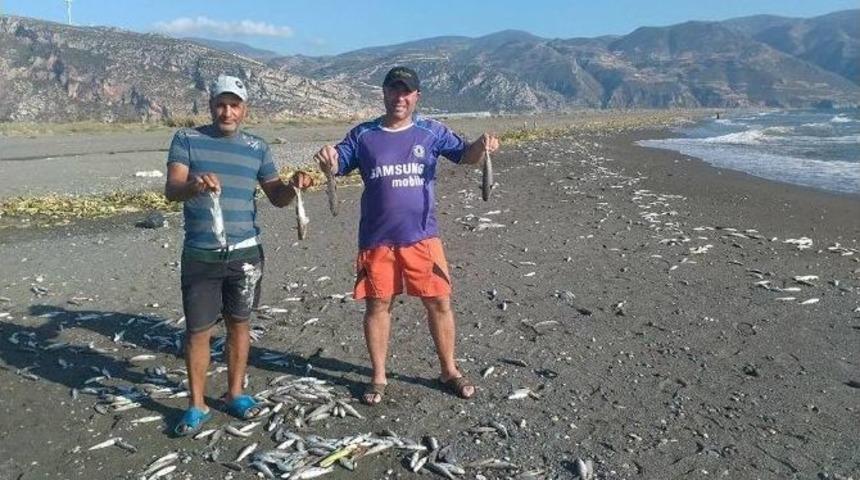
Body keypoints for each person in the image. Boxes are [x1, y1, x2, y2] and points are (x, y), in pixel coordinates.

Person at [314, 66, 500, 405]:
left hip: (423, 238)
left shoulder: (431, 132)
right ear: (383, 93)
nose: (400, 97)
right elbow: (336, 164)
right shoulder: (363, 134)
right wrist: (327, 158)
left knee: (439, 302)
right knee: (378, 304)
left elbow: (465, 156)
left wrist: (483, 145)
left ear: (416, 97)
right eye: (393, 90)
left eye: (406, 92)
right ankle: (379, 376)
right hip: (376, 239)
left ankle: (449, 370)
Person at [164, 74, 313, 435]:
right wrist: (195, 186)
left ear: (244, 109)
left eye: (234, 105)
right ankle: (197, 404)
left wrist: (294, 186)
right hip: (201, 253)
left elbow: (276, 196)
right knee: (198, 331)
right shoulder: (187, 139)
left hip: (246, 254)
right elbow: (172, 189)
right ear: (210, 105)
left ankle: (235, 393)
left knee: (239, 324)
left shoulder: (257, 147)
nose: (226, 111)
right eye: (220, 104)